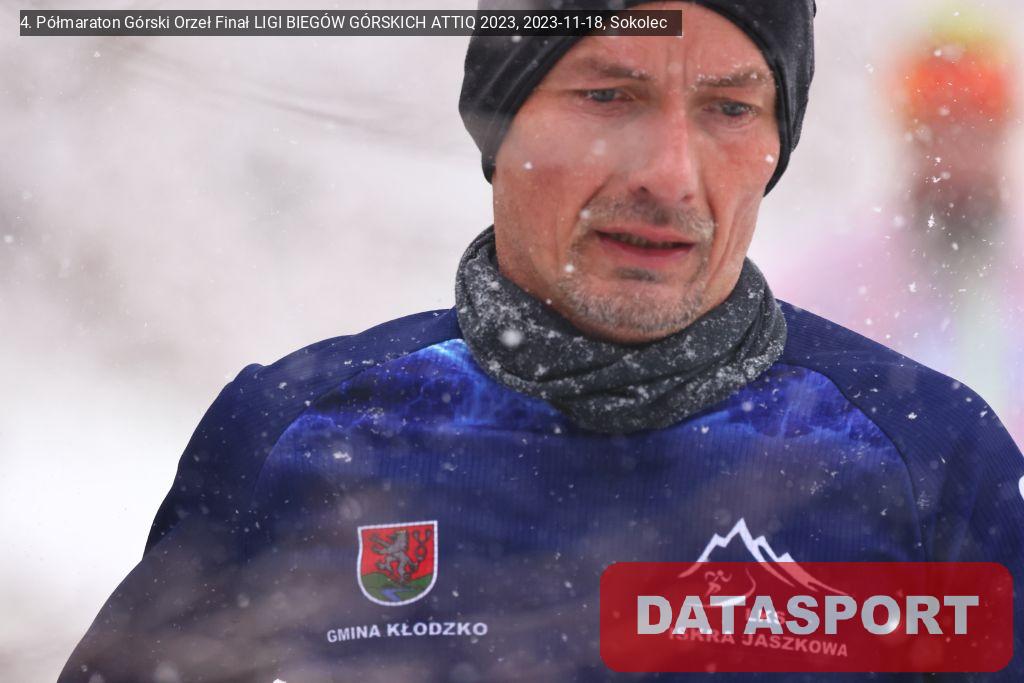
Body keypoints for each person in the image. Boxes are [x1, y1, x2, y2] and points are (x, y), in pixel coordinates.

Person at [60, 1, 1024, 681]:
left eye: (730, 109)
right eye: (609, 96)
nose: (670, 175)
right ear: (500, 117)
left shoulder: (929, 464)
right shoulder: (300, 439)